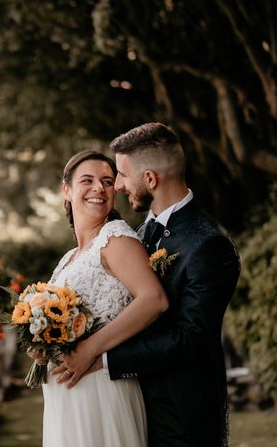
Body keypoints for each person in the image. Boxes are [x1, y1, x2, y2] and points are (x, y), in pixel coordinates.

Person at [56, 122, 240, 446]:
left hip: (181, 417)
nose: (120, 186)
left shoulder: (208, 244)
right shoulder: (139, 234)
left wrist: (101, 359)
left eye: (122, 176)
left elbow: (190, 338)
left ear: (150, 179)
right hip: (133, 406)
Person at [31, 149, 169, 446]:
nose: (99, 188)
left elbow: (154, 299)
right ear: (66, 190)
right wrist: (44, 345)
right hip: (65, 397)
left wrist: (89, 350)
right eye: (87, 180)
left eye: (107, 181)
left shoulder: (116, 237)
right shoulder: (69, 258)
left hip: (100, 391)